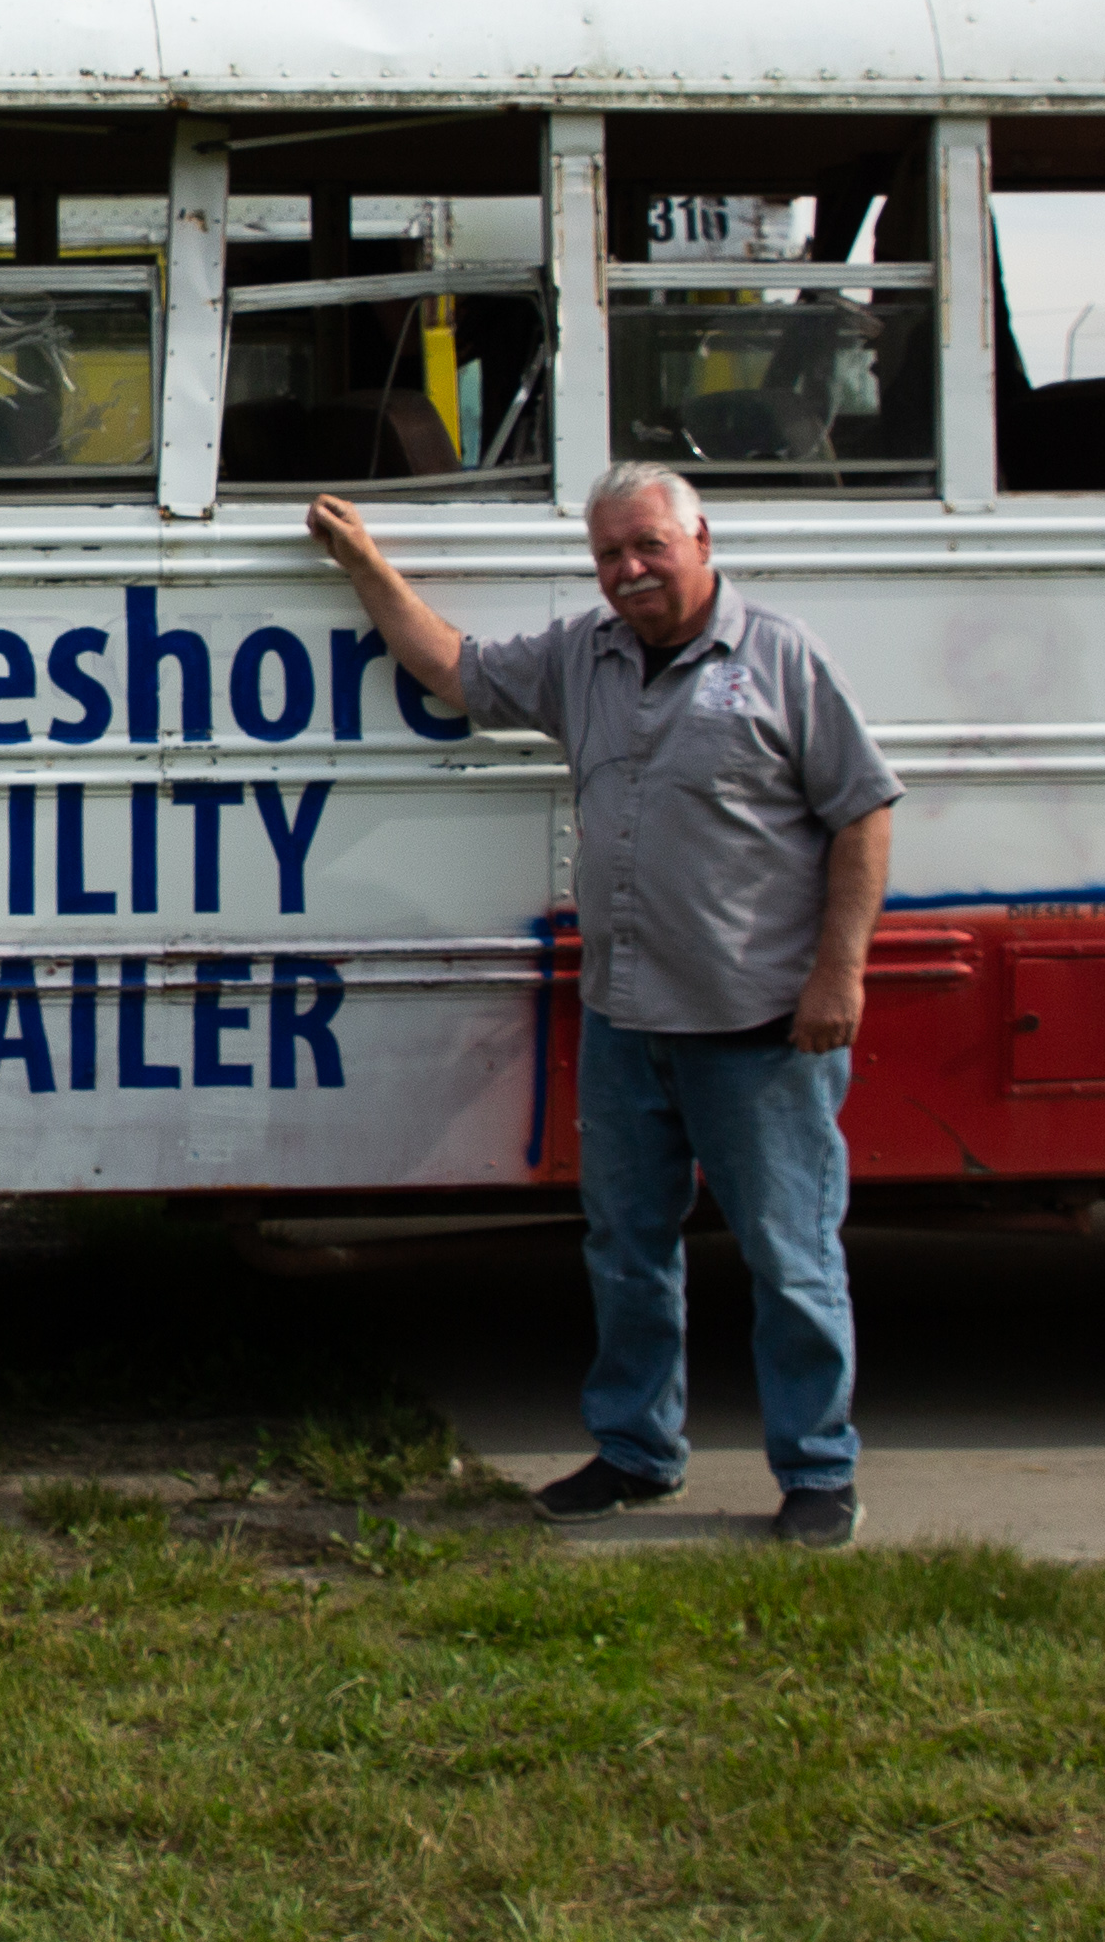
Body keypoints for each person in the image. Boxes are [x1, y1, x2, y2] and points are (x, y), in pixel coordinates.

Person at [308, 464, 901, 1548]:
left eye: (647, 548)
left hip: (760, 1027)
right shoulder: (587, 655)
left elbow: (863, 813)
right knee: (627, 1248)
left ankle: (819, 1471)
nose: (628, 571)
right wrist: (366, 568)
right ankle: (638, 1453)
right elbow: (460, 674)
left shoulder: (780, 657)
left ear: (700, 539)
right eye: (609, 556)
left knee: (791, 1254)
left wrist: (838, 975)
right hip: (629, 1018)